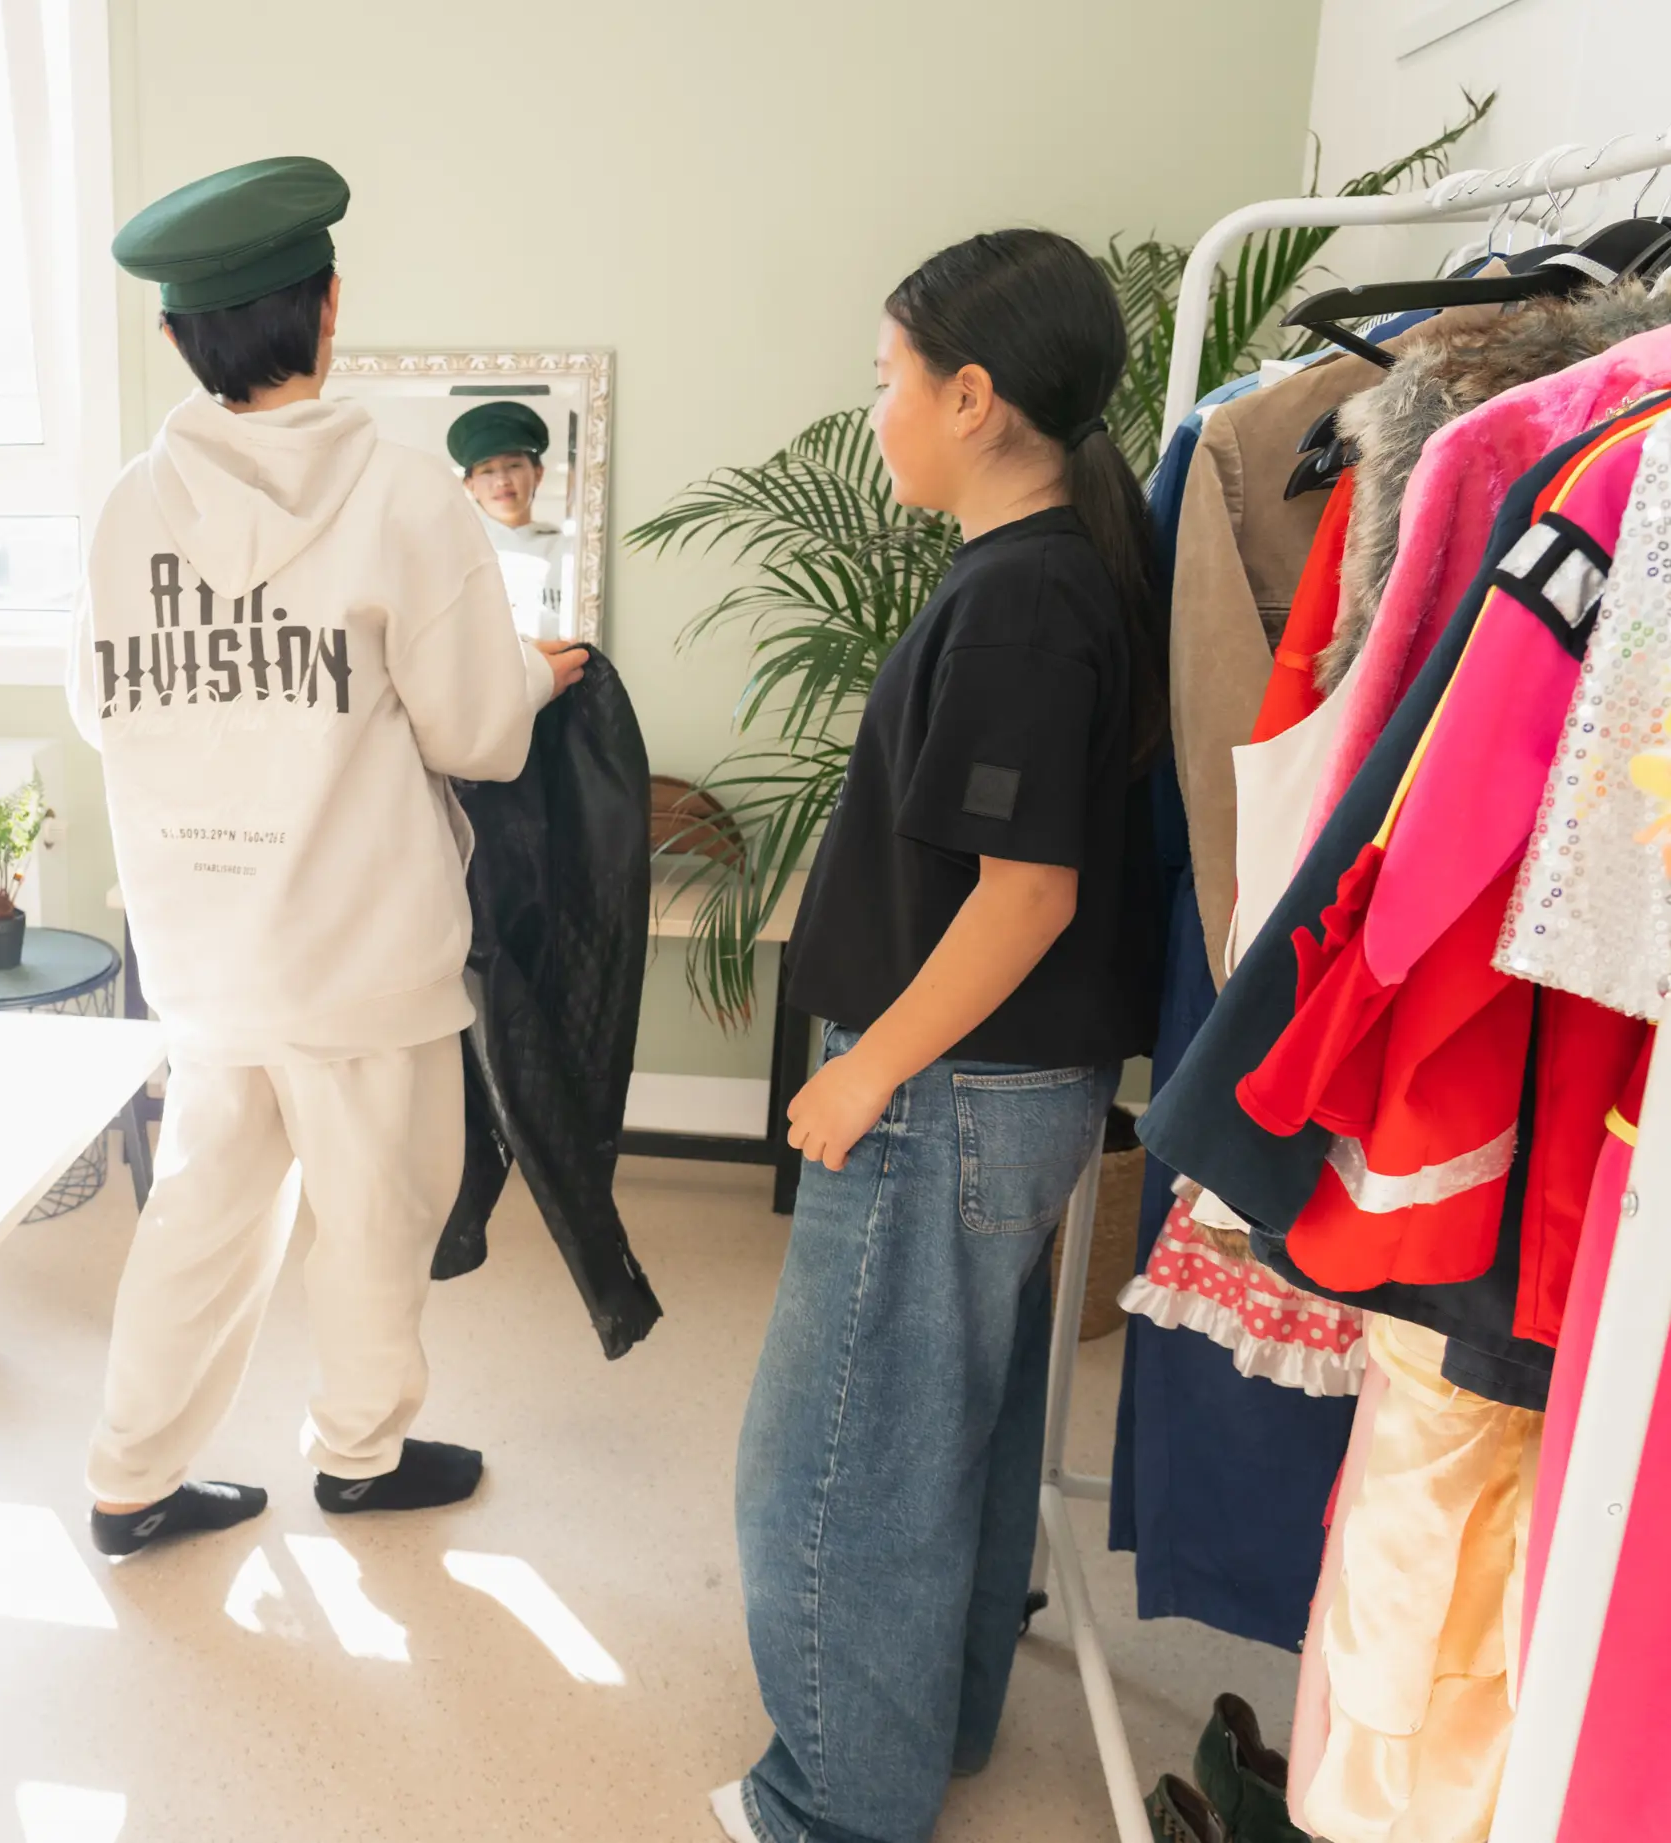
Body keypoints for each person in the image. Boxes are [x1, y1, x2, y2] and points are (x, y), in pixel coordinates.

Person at [712, 228, 1167, 1843]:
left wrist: (866, 1067)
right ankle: (932, 1727)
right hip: (993, 1088)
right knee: (940, 1438)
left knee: (833, 1465)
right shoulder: (1045, 571)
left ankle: (836, 1803)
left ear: (972, 397)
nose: (876, 411)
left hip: (948, 1090)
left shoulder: (1023, 601)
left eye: (886, 379)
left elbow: (1023, 893)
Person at [71, 155, 589, 1558]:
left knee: (201, 1213)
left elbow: (99, 709)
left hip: (204, 949)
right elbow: (476, 732)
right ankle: (360, 1456)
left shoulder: (125, 510)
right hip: (360, 952)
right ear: (330, 306)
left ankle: (129, 1477)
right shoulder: (405, 500)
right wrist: (537, 672)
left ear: (174, 334)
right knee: (375, 1217)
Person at [448, 399, 571, 639]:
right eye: (487, 471)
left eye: (514, 465)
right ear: (469, 485)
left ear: (538, 473)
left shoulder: (569, 550)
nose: (502, 480)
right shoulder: (454, 550)